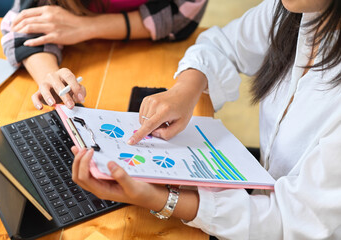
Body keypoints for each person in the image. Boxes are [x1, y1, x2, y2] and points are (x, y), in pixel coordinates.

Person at [71, 0, 341, 238]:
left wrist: (162, 199)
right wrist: (185, 90)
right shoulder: (295, 8)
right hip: (260, 197)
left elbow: (291, 221)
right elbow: (223, 45)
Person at [1, 0, 208, 110]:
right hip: (86, 55)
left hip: (158, 54)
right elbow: (21, 27)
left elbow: (183, 14)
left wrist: (87, 27)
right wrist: (50, 76)